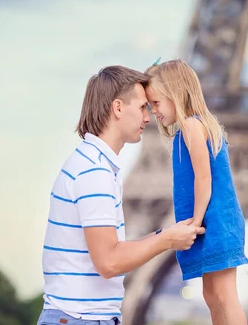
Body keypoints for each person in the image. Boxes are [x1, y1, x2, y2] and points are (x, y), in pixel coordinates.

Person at [37, 65, 205, 325]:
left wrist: (165, 234)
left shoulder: (95, 165)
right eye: (141, 108)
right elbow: (109, 262)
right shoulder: (93, 172)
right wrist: (167, 240)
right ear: (117, 108)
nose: (148, 117)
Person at [144, 59, 248, 325]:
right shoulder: (187, 130)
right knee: (212, 295)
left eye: (155, 103)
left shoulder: (192, 126)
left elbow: (204, 178)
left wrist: (196, 220)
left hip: (214, 221)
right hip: (208, 221)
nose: (153, 111)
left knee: (224, 296)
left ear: (175, 93)